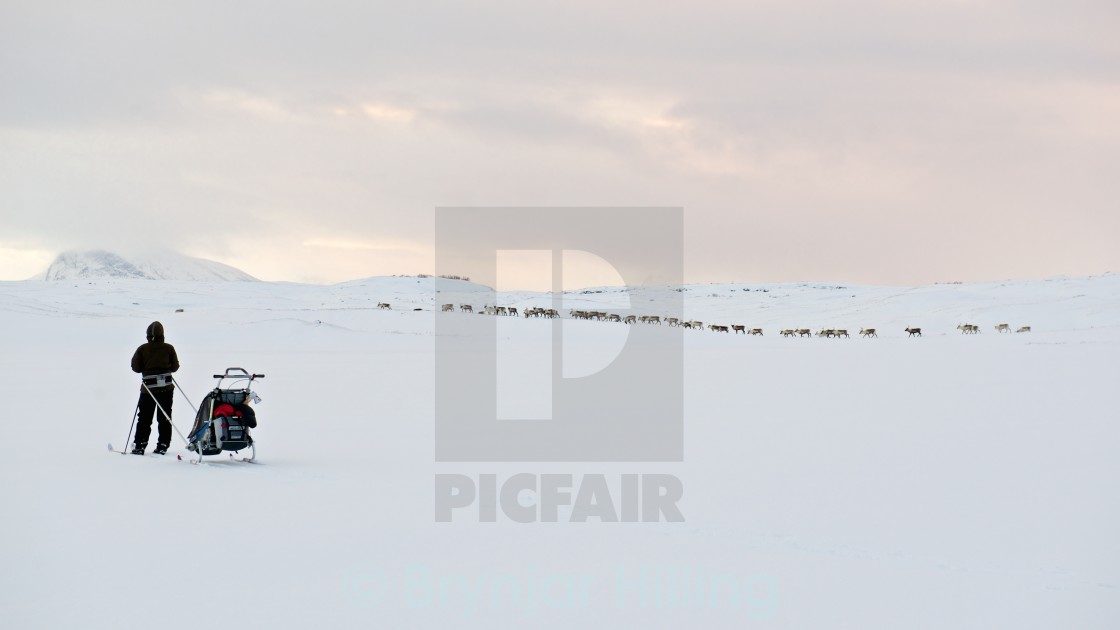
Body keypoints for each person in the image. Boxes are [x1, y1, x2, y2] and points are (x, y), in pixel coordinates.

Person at [130, 321, 179, 454]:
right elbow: (175, 367)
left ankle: (140, 445)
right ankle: (163, 445)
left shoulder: (142, 349)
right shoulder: (169, 348)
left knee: (145, 417)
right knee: (165, 416)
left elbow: (135, 367)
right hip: (166, 389)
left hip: (148, 389)